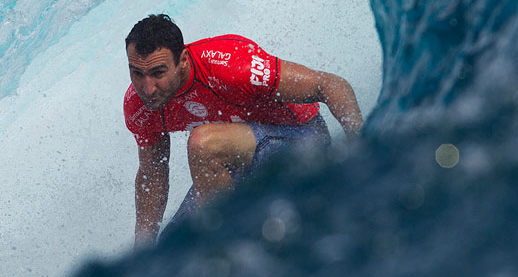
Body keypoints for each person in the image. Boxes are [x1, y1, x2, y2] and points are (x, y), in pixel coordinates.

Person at [124, 14, 363, 246]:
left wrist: (362, 151)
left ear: (183, 60)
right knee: (171, 245)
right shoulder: (140, 106)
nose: (148, 88)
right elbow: (153, 172)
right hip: (238, 161)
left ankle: (225, 251)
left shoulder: (232, 65)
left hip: (301, 140)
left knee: (203, 144)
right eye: (137, 73)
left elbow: (330, 84)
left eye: (158, 73)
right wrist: (141, 249)